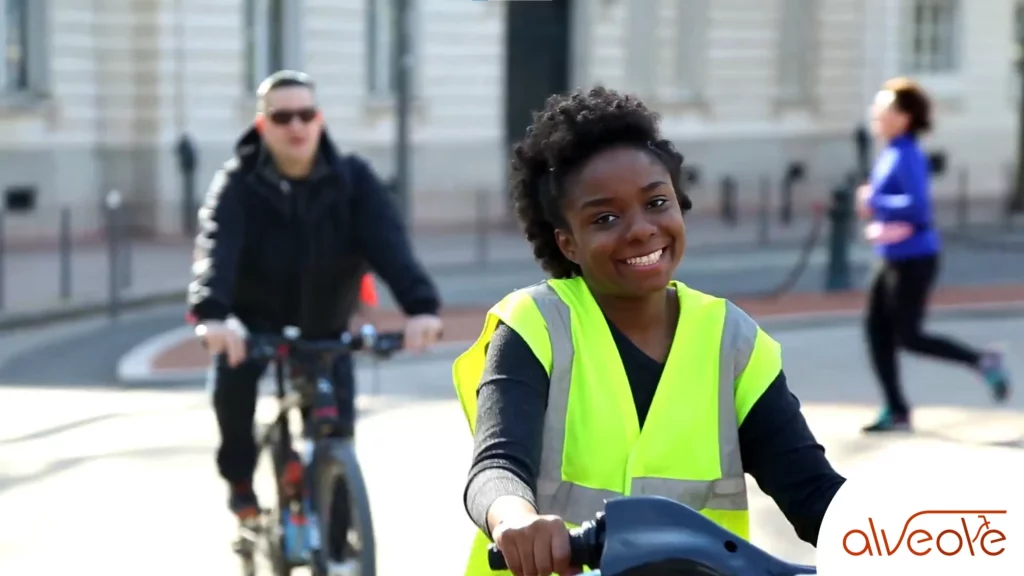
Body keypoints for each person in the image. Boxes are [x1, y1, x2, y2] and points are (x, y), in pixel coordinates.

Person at [452, 87, 847, 576]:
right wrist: (515, 520)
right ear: (568, 243)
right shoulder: (534, 324)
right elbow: (496, 467)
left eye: (657, 202)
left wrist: (907, 537)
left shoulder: (732, 342)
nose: (641, 229)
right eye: (606, 218)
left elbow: (814, 494)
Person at [188, 70, 443, 530]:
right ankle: (241, 482)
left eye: (305, 114)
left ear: (319, 120)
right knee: (233, 390)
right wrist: (213, 316)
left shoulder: (354, 181)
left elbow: (391, 247)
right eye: (282, 117)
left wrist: (420, 306)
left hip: (324, 325)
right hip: (253, 322)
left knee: (336, 431)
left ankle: (339, 540)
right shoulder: (238, 184)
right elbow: (216, 246)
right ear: (263, 125)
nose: (296, 126)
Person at [857, 77, 1010, 433]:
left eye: (885, 108)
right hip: (892, 255)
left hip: (914, 258)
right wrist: (879, 217)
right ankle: (896, 409)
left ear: (904, 117)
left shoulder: (907, 154)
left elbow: (918, 209)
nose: (876, 114)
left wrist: (874, 202)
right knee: (876, 329)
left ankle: (982, 360)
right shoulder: (891, 150)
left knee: (908, 335)